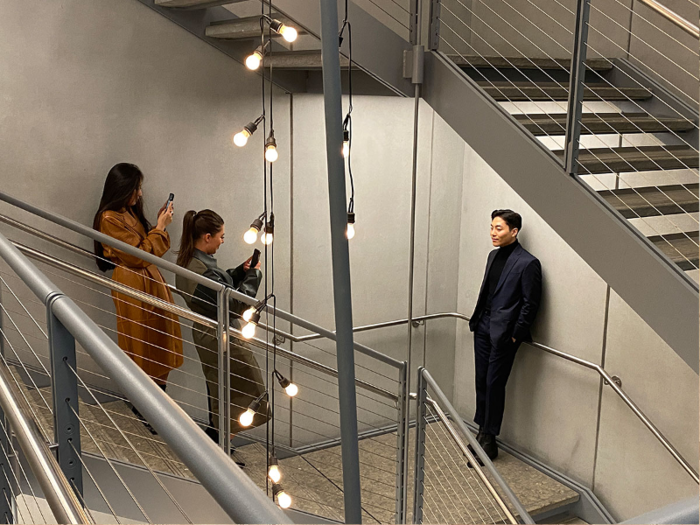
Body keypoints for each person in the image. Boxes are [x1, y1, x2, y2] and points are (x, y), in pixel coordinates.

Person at [175, 209, 268, 448]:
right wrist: (254, 276)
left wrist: (240, 271)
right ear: (207, 237)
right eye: (221, 236)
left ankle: (217, 444)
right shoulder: (198, 271)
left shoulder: (192, 263)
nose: (222, 241)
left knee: (221, 391)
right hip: (219, 335)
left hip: (212, 333)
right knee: (248, 392)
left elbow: (219, 284)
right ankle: (217, 449)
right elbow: (232, 304)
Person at [93, 163, 184, 407]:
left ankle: (157, 406)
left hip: (148, 282)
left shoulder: (127, 212)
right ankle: (146, 408)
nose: (140, 193)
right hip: (133, 285)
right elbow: (138, 255)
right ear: (123, 188)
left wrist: (156, 225)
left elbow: (143, 251)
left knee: (158, 342)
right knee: (140, 343)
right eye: (137, 188)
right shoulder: (109, 218)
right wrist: (160, 228)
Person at [469, 209, 542, 460]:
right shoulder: (492, 256)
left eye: (498, 228)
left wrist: (515, 335)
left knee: (494, 384)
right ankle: (481, 432)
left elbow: (530, 303)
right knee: (481, 381)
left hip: (504, 334)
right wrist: (478, 321)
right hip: (482, 326)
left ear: (514, 231)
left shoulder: (528, 262)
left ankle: (489, 440)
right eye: (491, 227)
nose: (492, 233)